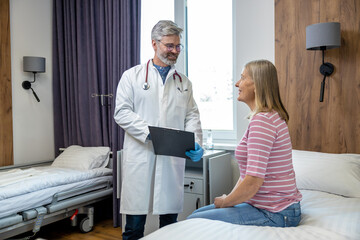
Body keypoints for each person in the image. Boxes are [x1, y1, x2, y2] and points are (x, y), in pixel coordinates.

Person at [114, 20, 203, 240]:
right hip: (140, 157)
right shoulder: (131, 77)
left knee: (170, 226)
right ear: (154, 44)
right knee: (134, 227)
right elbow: (122, 113)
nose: (175, 51)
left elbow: (191, 114)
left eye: (178, 46)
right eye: (169, 46)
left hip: (171, 159)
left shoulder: (184, 82)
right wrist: (153, 135)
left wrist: (196, 141)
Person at [187, 59, 302, 227]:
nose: (236, 84)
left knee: (194, 221)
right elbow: (247, 175)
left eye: (242, 78)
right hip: (269, 207)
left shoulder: (263, 121)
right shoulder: (268, 117)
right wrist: (228, 199)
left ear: (257, 85)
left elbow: (253, 181)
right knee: (197, 214)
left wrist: (226, 202)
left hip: (275, 212)